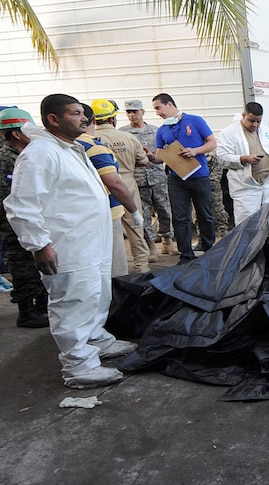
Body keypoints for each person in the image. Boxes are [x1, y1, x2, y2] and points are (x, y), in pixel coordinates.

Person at [4, 94, 137, 389]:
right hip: (68, 245)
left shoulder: (70, 148)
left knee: (96, 294)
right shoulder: (40, 154)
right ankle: (79, 366)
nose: (84, 118)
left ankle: (97, 340)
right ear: (54, 119)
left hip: (90, 241)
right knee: (74, 302)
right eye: (76, 113)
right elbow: (22, 204)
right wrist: (39, 244)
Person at [79, 104, 145, 278]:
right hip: (123, 184)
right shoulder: (122, 138)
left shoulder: (73, 144)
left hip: (93, 201)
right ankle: (141, 265)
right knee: (134, 227)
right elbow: (143, 161)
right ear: (112, 118)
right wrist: (134, 211)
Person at [152, 93, 217, 264]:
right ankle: (186, 255)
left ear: (170, 104)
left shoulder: (195, 121)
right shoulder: (162, 130)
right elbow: (159, 157)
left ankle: (210, 250)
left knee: (205, 214)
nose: (157, 112)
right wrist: (150, 157)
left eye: (158, 108)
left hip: (199, 176)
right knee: (180, 217)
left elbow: (212, 143)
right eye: (155, 109)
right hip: (176, 179)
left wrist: (195, 151)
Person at [0, 107, 48, 328]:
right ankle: (27, 312)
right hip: (11, 225)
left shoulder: (25, 154)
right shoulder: (5, 159)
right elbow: (10, 196)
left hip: (27, 220)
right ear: (17, 133)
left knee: (35, 266)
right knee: (23, 267)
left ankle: (40, 306)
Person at [119, 99, 177, 257]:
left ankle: (167, 241)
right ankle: (151, 246)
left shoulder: (155, 130)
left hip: (157, 178)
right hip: (138, 180)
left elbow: (166, 152)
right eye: (129, 112)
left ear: (142, 112)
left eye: (135, 112)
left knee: (164, 210)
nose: (132, 115)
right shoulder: (124, 134)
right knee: (143, 214)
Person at [217, 102, 269, 224]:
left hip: (268, 186)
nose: (255, 125)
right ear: (243, 115)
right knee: (248, 225)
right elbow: (222, 157)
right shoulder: (229, 133)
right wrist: (244, 159)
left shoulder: (266, 133)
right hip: (246, 189)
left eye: (258, 121)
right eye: (251, 121)